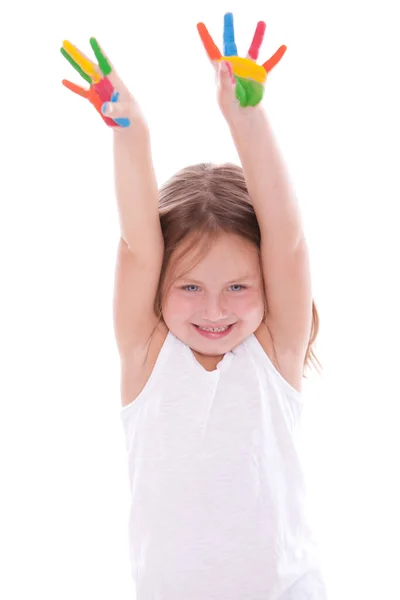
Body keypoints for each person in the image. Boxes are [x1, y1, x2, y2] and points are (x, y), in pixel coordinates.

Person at [98, 27, 327, 600]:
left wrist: (245, 118)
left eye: (238, 286)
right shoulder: (147, 352)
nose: (216, 309)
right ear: (161, 286)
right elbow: (138, 244)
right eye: (191, 287)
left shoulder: (275, 349)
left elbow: (287, 239)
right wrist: (133, 132)